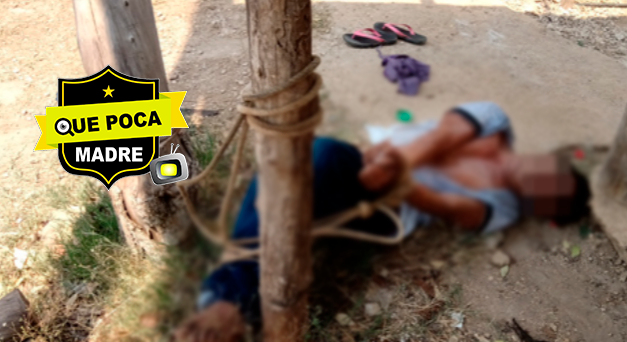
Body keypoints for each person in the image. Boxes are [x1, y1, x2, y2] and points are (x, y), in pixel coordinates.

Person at [174, 102, 591, 341]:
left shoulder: (499, 207)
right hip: (370, 165)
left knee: (312, 161)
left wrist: (397, 181)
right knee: (301, 163)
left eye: (544, 198)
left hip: (385, 208)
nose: (538, 184)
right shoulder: (494, 121)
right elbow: (439, 137)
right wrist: (392, 164)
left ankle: (225, 299)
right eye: (553, 179)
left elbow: (448, 207)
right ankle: (233, 303)